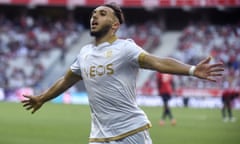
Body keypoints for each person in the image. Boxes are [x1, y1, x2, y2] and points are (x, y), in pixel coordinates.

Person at [21, 3, 224, 144]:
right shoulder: (84, 53)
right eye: (93, 14)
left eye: (102, 14)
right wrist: (42, 98)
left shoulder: (125, 48)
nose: (95, 17)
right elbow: (66, 81)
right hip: (98, 135)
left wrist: (191, 70)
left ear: (115, 25)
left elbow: (157, 62)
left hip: (130, 131)